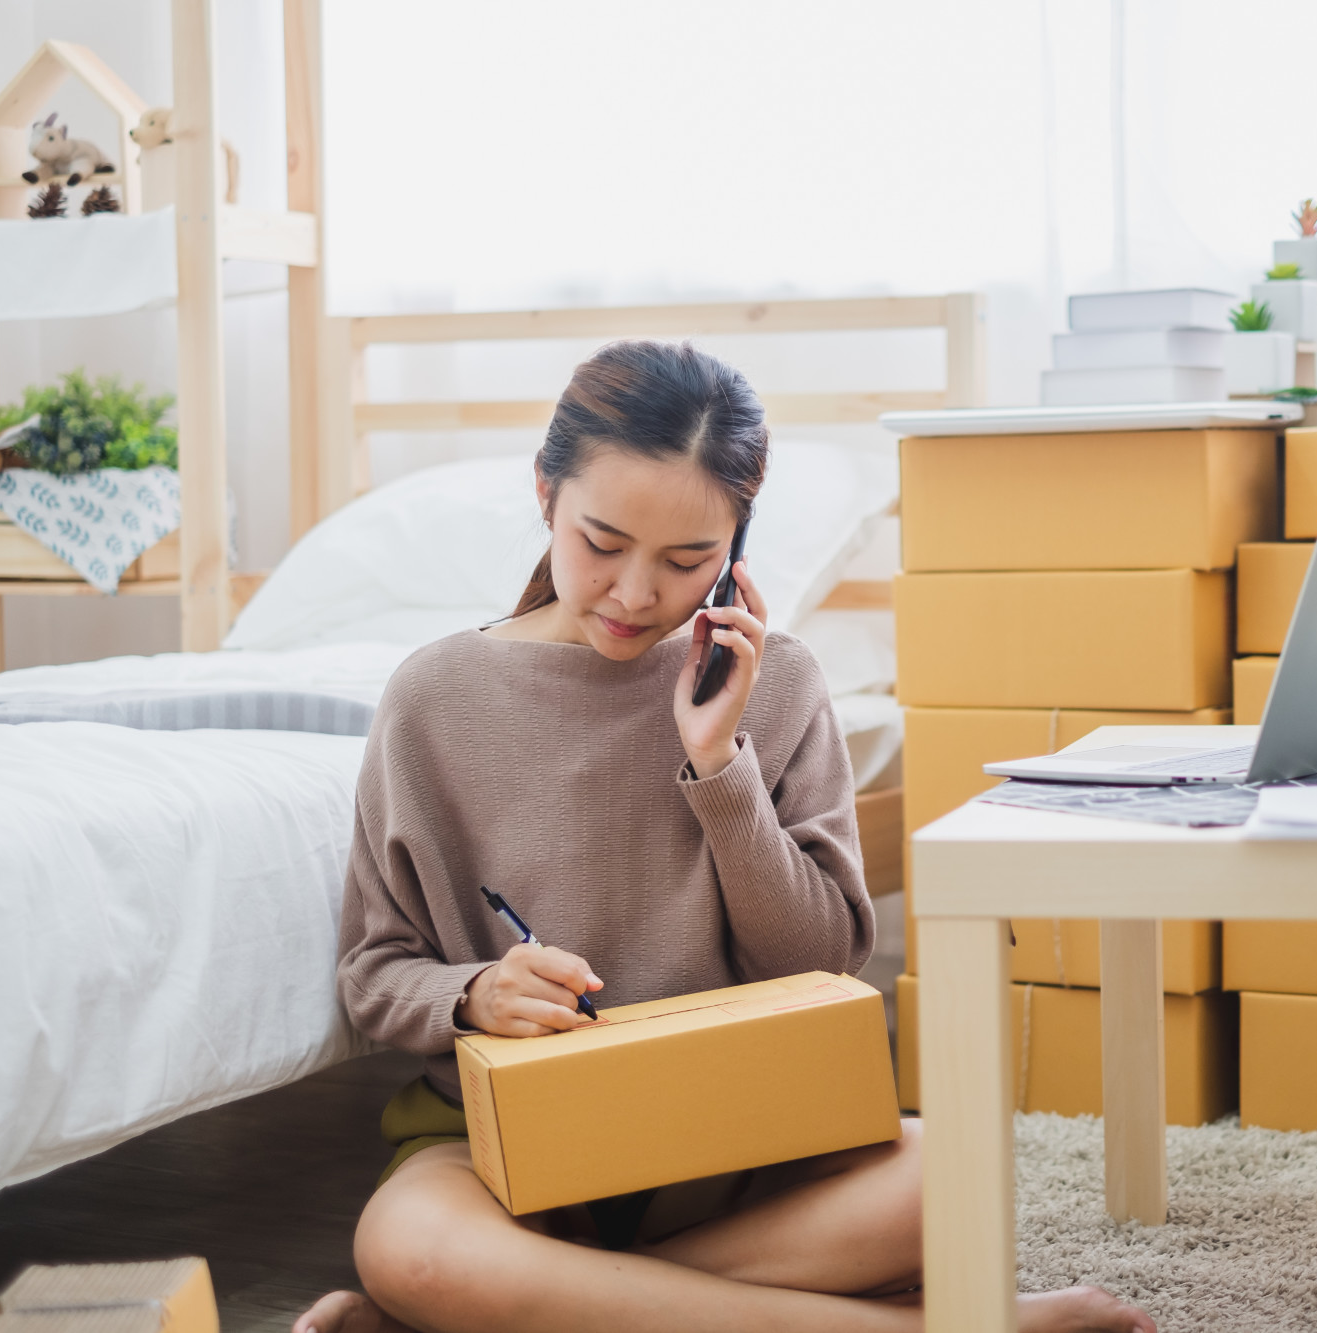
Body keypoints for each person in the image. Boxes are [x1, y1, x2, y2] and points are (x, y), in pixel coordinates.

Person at [296, 341, 1157, 1333]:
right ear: (544, 495)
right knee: (413, 1248)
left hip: (742, 1140)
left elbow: (819, 955)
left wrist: (719, 766)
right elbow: (373, 970)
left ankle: (534, 1303)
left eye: (684, 560)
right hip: (503, 1147)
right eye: (601, 542)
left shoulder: (777, 682)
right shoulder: (431, 697)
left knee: (954, 1170)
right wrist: (475, 991)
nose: (631, 592)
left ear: (736, 544)